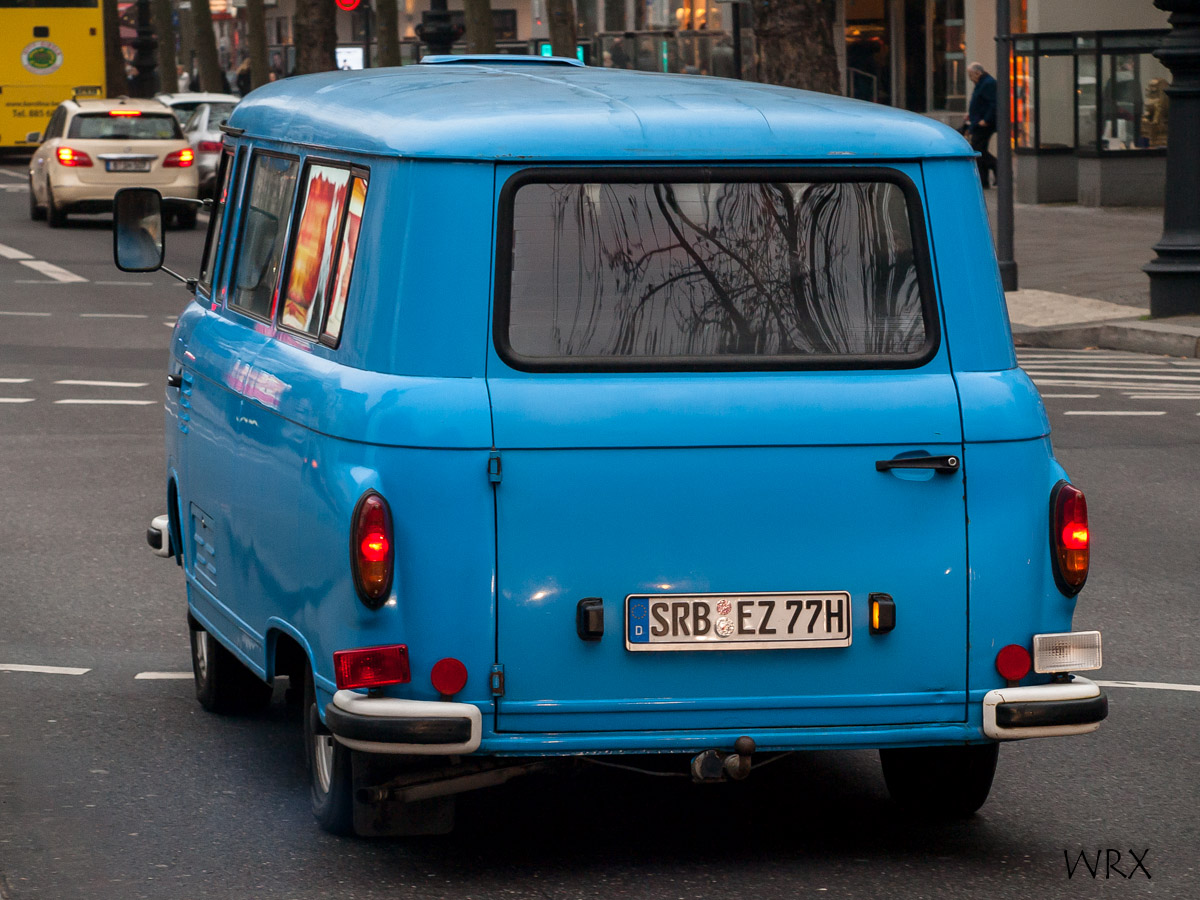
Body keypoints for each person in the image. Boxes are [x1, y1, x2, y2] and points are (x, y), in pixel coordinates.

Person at [964, 62, 997, 189]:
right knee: (979, 149)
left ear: (978, 72)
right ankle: (983, 181)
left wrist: (986, 120)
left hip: (983, 124)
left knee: (978, 149)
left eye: (971, 75)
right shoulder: (981, 83)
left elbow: (993, 103)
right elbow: (979, 103)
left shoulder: (988, 83)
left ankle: (996, 166)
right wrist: (970, 114)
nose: (970, 78)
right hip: (978, 121)